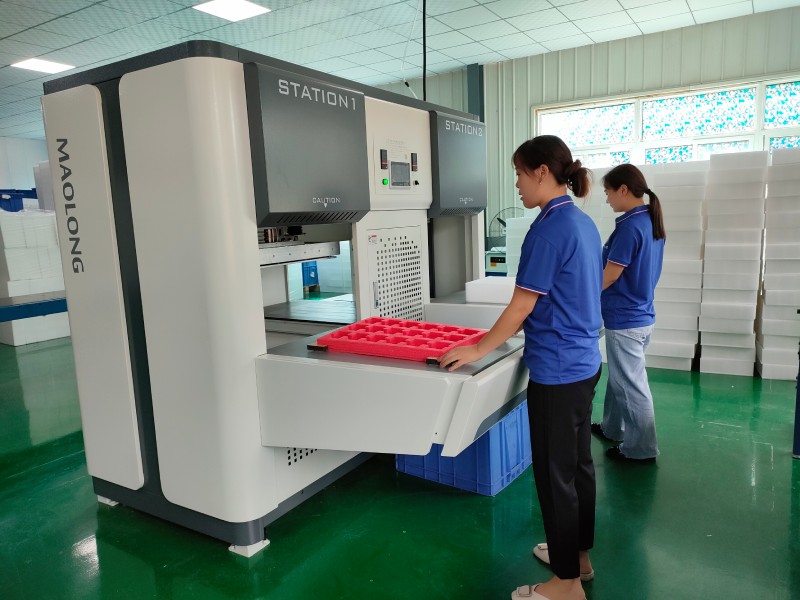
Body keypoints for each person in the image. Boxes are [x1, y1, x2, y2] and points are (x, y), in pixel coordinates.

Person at [439, 135, 602, 600]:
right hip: (585, 362)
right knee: (578, 467)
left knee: (555, 475)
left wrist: (478, 348)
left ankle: (566, 584)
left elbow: (521, 305)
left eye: (518, 173)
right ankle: (578, 558)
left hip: (557, 371)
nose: (516, 184)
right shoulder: (581, 221)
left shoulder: (547, 229)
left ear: (542, 172)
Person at [591, 164, 666, 463]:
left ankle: (641, 449)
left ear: (623, 189)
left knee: (631, 385)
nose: (607, 198)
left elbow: (609, 275)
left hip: (625, 319)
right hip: (641, 315)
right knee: (621, 377)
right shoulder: (649, 221)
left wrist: (580, 294)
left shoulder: (629, 227)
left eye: (608, 192)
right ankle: (613, 428)